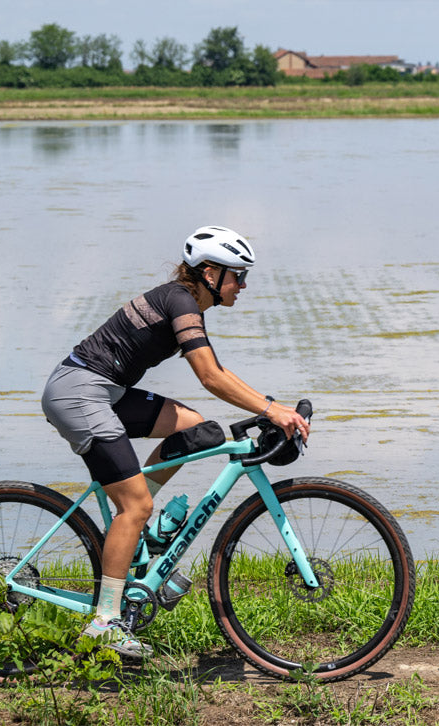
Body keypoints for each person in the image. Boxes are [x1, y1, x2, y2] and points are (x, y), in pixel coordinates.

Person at [41, 226, 310, 658]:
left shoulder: (185, 302)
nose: (243, 285)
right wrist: (270, 411)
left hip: (103, 391)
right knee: (134, 505)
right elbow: (209, 377)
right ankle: (105, 622)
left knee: (197, 431)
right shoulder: (181, 301)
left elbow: (219, 371)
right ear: (209, 271)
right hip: (80, 393)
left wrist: (270, 403)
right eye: (238, 276)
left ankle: (144, 538)